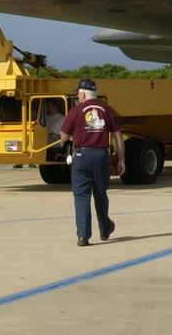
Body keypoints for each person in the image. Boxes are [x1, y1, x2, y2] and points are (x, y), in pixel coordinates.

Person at [59, 79, 125, 246]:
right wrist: (122, 158)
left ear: (83, 94)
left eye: (78, 94)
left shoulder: (76, 110)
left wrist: (71, 136)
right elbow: (118, 135)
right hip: (101, 155)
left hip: (82, 156)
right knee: (100, 193)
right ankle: (105, 229)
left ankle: (83, 235)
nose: (77, 97)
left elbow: (64, 135)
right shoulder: (107, 109)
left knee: (82, 196)